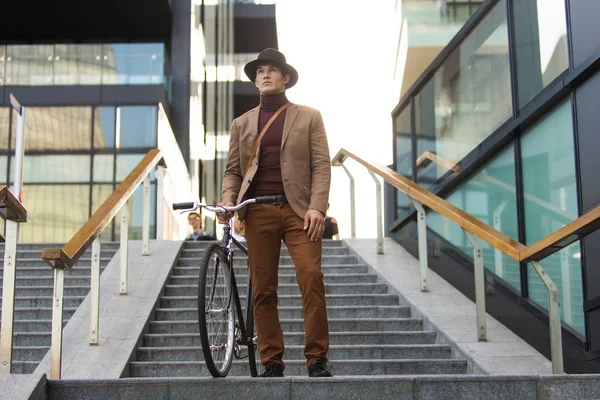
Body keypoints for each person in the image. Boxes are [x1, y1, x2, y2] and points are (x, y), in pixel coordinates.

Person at [217, 48, 332, 378]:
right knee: (263, 289)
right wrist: (229, 202)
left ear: (285, 79)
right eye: (259, 71)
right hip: (258, 211)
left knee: (311, 278)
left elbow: (321, 165)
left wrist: (317, 207)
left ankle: (317, 358)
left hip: (299, 212)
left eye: (272, 70)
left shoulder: (309, 116)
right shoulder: (241, 123)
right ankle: (272, 360)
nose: (264, 75)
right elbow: (233, 171)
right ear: (255, 80)